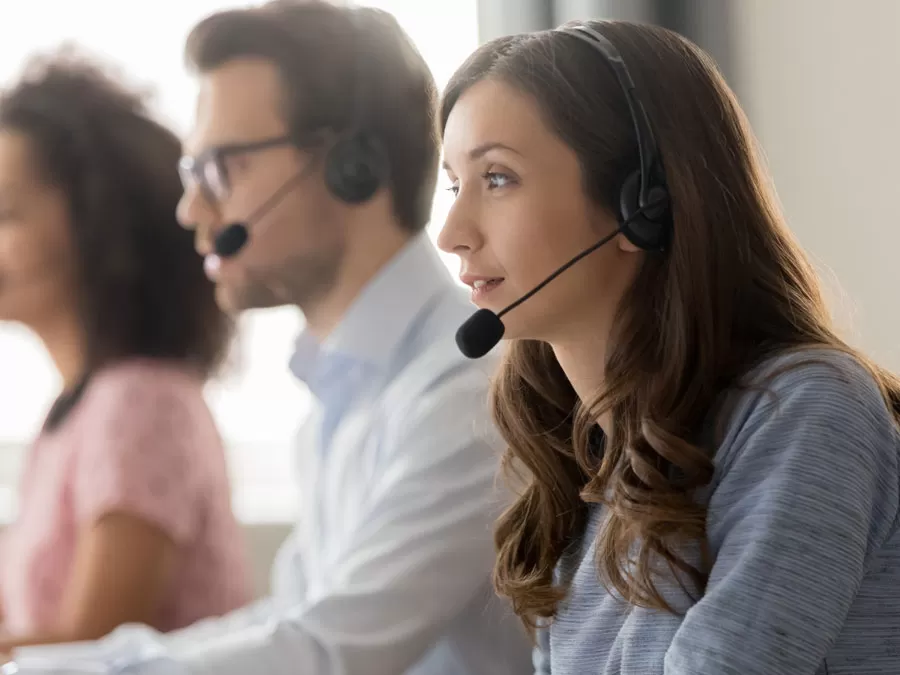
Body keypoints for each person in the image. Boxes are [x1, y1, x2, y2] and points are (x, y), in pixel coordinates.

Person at [6, 3, 530, 674]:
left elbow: (325, 651)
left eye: (223, 168)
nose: (191, 209)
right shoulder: (344, 392)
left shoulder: (464, 390)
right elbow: (290, 619)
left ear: (353, 166)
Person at [437, 19, 900, 675]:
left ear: (641, 206)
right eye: (455, 184)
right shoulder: (591, 465)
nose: (451, 231)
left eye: (499, 178)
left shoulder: (805, 409)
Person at [0, 53, 251, 652]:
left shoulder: (140, 401)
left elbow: (91, 648)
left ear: (99, 226)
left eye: (6, 212)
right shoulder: (79, 408)